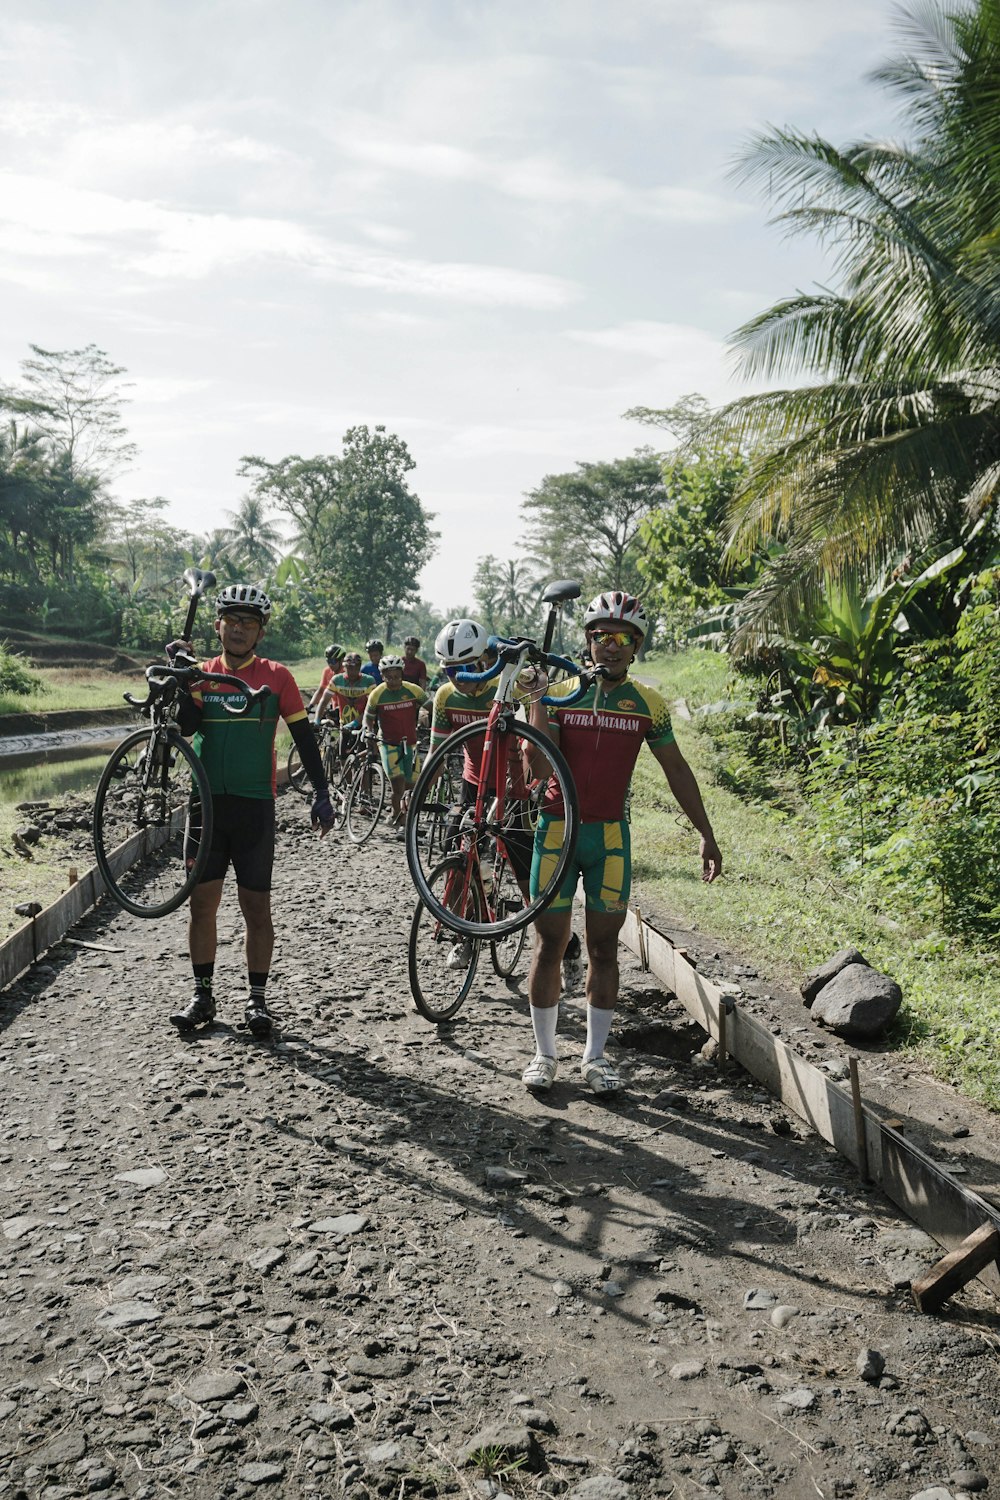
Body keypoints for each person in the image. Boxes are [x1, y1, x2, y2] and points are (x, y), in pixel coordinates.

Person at [522, 590, 722, 1095]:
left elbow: (676, 768)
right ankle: (544, 1055)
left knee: (604, 948)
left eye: (621, 639)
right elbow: (537, 766)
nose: (609, 646)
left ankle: (594, 1059)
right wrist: (536, 703)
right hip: (556, 830)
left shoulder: (647, 705)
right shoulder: (560, 692)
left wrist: (706, 833)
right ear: (586, 641)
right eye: (599, 636)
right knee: (549, 945)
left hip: (610, 837)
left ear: (635, 648)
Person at [167, 584, 335, 1037]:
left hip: (255, 807)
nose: (238, 630)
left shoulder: (276, 676)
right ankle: (202, 996)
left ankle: (256, 1001)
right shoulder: (201, 673)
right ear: (217, 625)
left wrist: (321, 791)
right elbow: (186, 725)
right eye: (231, 622)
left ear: (260, 632)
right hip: (206, 807)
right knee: (202, 905)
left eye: (249, 624)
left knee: (255, 908)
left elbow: (304, 739)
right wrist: (181, 676)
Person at [430, 618, 537, 967]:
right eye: (448, 670)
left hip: (511, 783)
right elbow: (437, 752)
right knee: (458, 855)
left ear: (481, 662)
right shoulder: (444, 697)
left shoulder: (504, 685)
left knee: (527, 871)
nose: (456, 677)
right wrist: (416, 792)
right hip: (473, 782)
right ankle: (466, 934)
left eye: (464, 668)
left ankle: (559, 942)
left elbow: (539, 718)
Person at [362, 653, 428, 831]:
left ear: (402, 674)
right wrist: (369, 731)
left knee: (411, 788)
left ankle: (400, 815)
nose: (393, 681)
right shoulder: (377, 694)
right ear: (382, 676)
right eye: (388, 677)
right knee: (398, 787)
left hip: (411, 744)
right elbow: (368, 718)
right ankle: (401, 821)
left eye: (397, 677)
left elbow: (432, 708)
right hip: (388, 744)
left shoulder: (413, 690)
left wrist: (424, 713)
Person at [315, 650, 373, 758]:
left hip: (362, 725)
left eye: (356, 668)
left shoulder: (368, 681)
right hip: (344, 725)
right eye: (349, 668)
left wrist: (355, 723)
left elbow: (371, 708)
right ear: (344, 667)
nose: (353, 671)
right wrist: (317, 719)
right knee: (342, 759)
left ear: (360, 667)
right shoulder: (337, 680)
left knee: (362, 760)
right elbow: (323, 701)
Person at [307, 644, 346, 716]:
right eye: (328, 661)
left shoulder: (348, 673)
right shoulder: (327, 672)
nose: (330, 664)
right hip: (334, 710)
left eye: (333, 661)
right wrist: (310, 706)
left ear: (341, 660)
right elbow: (320, 692)